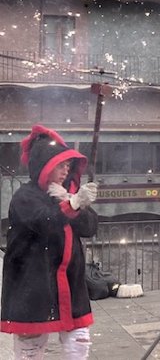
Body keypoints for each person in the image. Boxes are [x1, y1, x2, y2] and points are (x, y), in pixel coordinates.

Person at [1, 125, 99, 359]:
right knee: (30, 351)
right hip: (32, 285)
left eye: (68, 166)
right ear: (44, 167)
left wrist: (73, 201)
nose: (66, 171)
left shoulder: (67, 194)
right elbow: (45, 222)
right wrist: (72, 205)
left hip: (70, 283)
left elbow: (89, 227)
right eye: (60, 165)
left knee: (79, 343)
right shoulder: (24, 197)